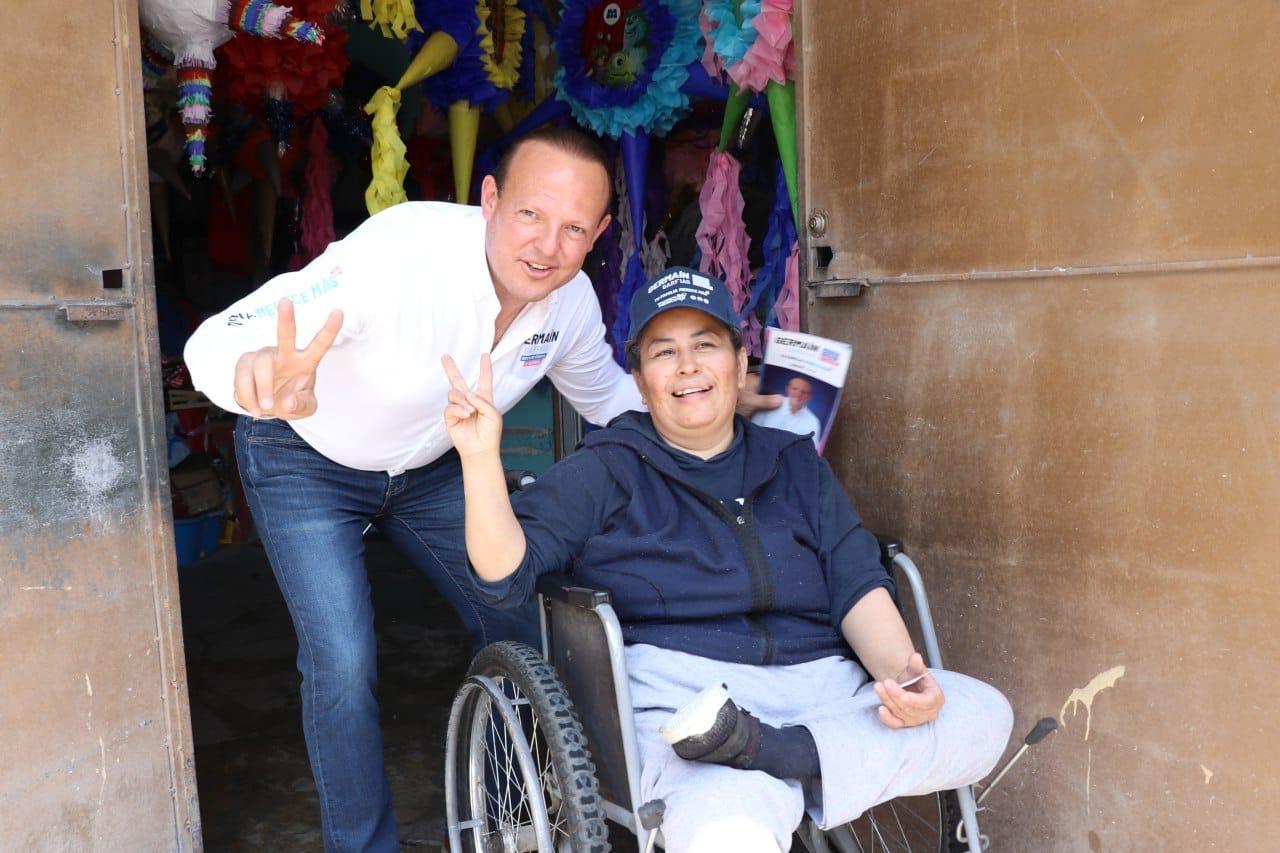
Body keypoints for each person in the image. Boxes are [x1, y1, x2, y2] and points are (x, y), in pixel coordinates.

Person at [184, 129, 781, 852]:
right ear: (491, 199)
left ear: (597, 235)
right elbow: (229, 334)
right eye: (531, 214)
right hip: (306, 456)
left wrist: (710, 398)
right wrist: (249, 369)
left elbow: (612, 401)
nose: (546, 246)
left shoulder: (568, 306)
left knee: (530, 617)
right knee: (342, 656)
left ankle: (514, 815)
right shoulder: (401, 253)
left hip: (434, 464)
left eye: (572, 228)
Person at [443, 267, 1013, 852]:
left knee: (982, 714)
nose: (687, 366)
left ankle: (777, 751)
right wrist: (480, 459)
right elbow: (504, 576)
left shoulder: (793, 462)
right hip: (690, 708)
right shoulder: (607, 468)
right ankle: (792, 759)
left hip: (821, 693)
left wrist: (904, 680)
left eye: (706, 345)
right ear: (640, 381)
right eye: (664, 352)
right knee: (728, 831)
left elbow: (855, 579)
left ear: (741, 366)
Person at [752, 375, 823, 445]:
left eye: (804, 392)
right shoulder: (771, 403)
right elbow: (752, 429)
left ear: (809, 397)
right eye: (795, 389)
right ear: (788, 388)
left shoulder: (813, 421)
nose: (798, 394)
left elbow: (810, 450)